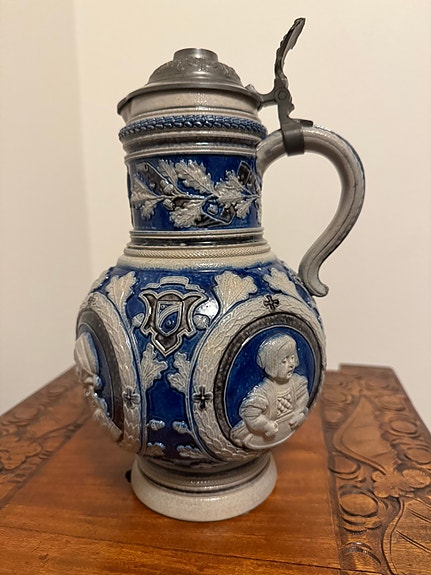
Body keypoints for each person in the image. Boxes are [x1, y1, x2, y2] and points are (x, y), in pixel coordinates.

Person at [230, 334, 309, 449]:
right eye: (284, 361)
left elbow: (303, 397)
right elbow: (251, 415)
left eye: (292, 358)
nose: (291, 364)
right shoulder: (263, 392)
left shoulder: (297, 383)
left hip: (286, 428)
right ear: (272, 366)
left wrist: (299, 413)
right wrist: (266, 425)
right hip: (264, 435)